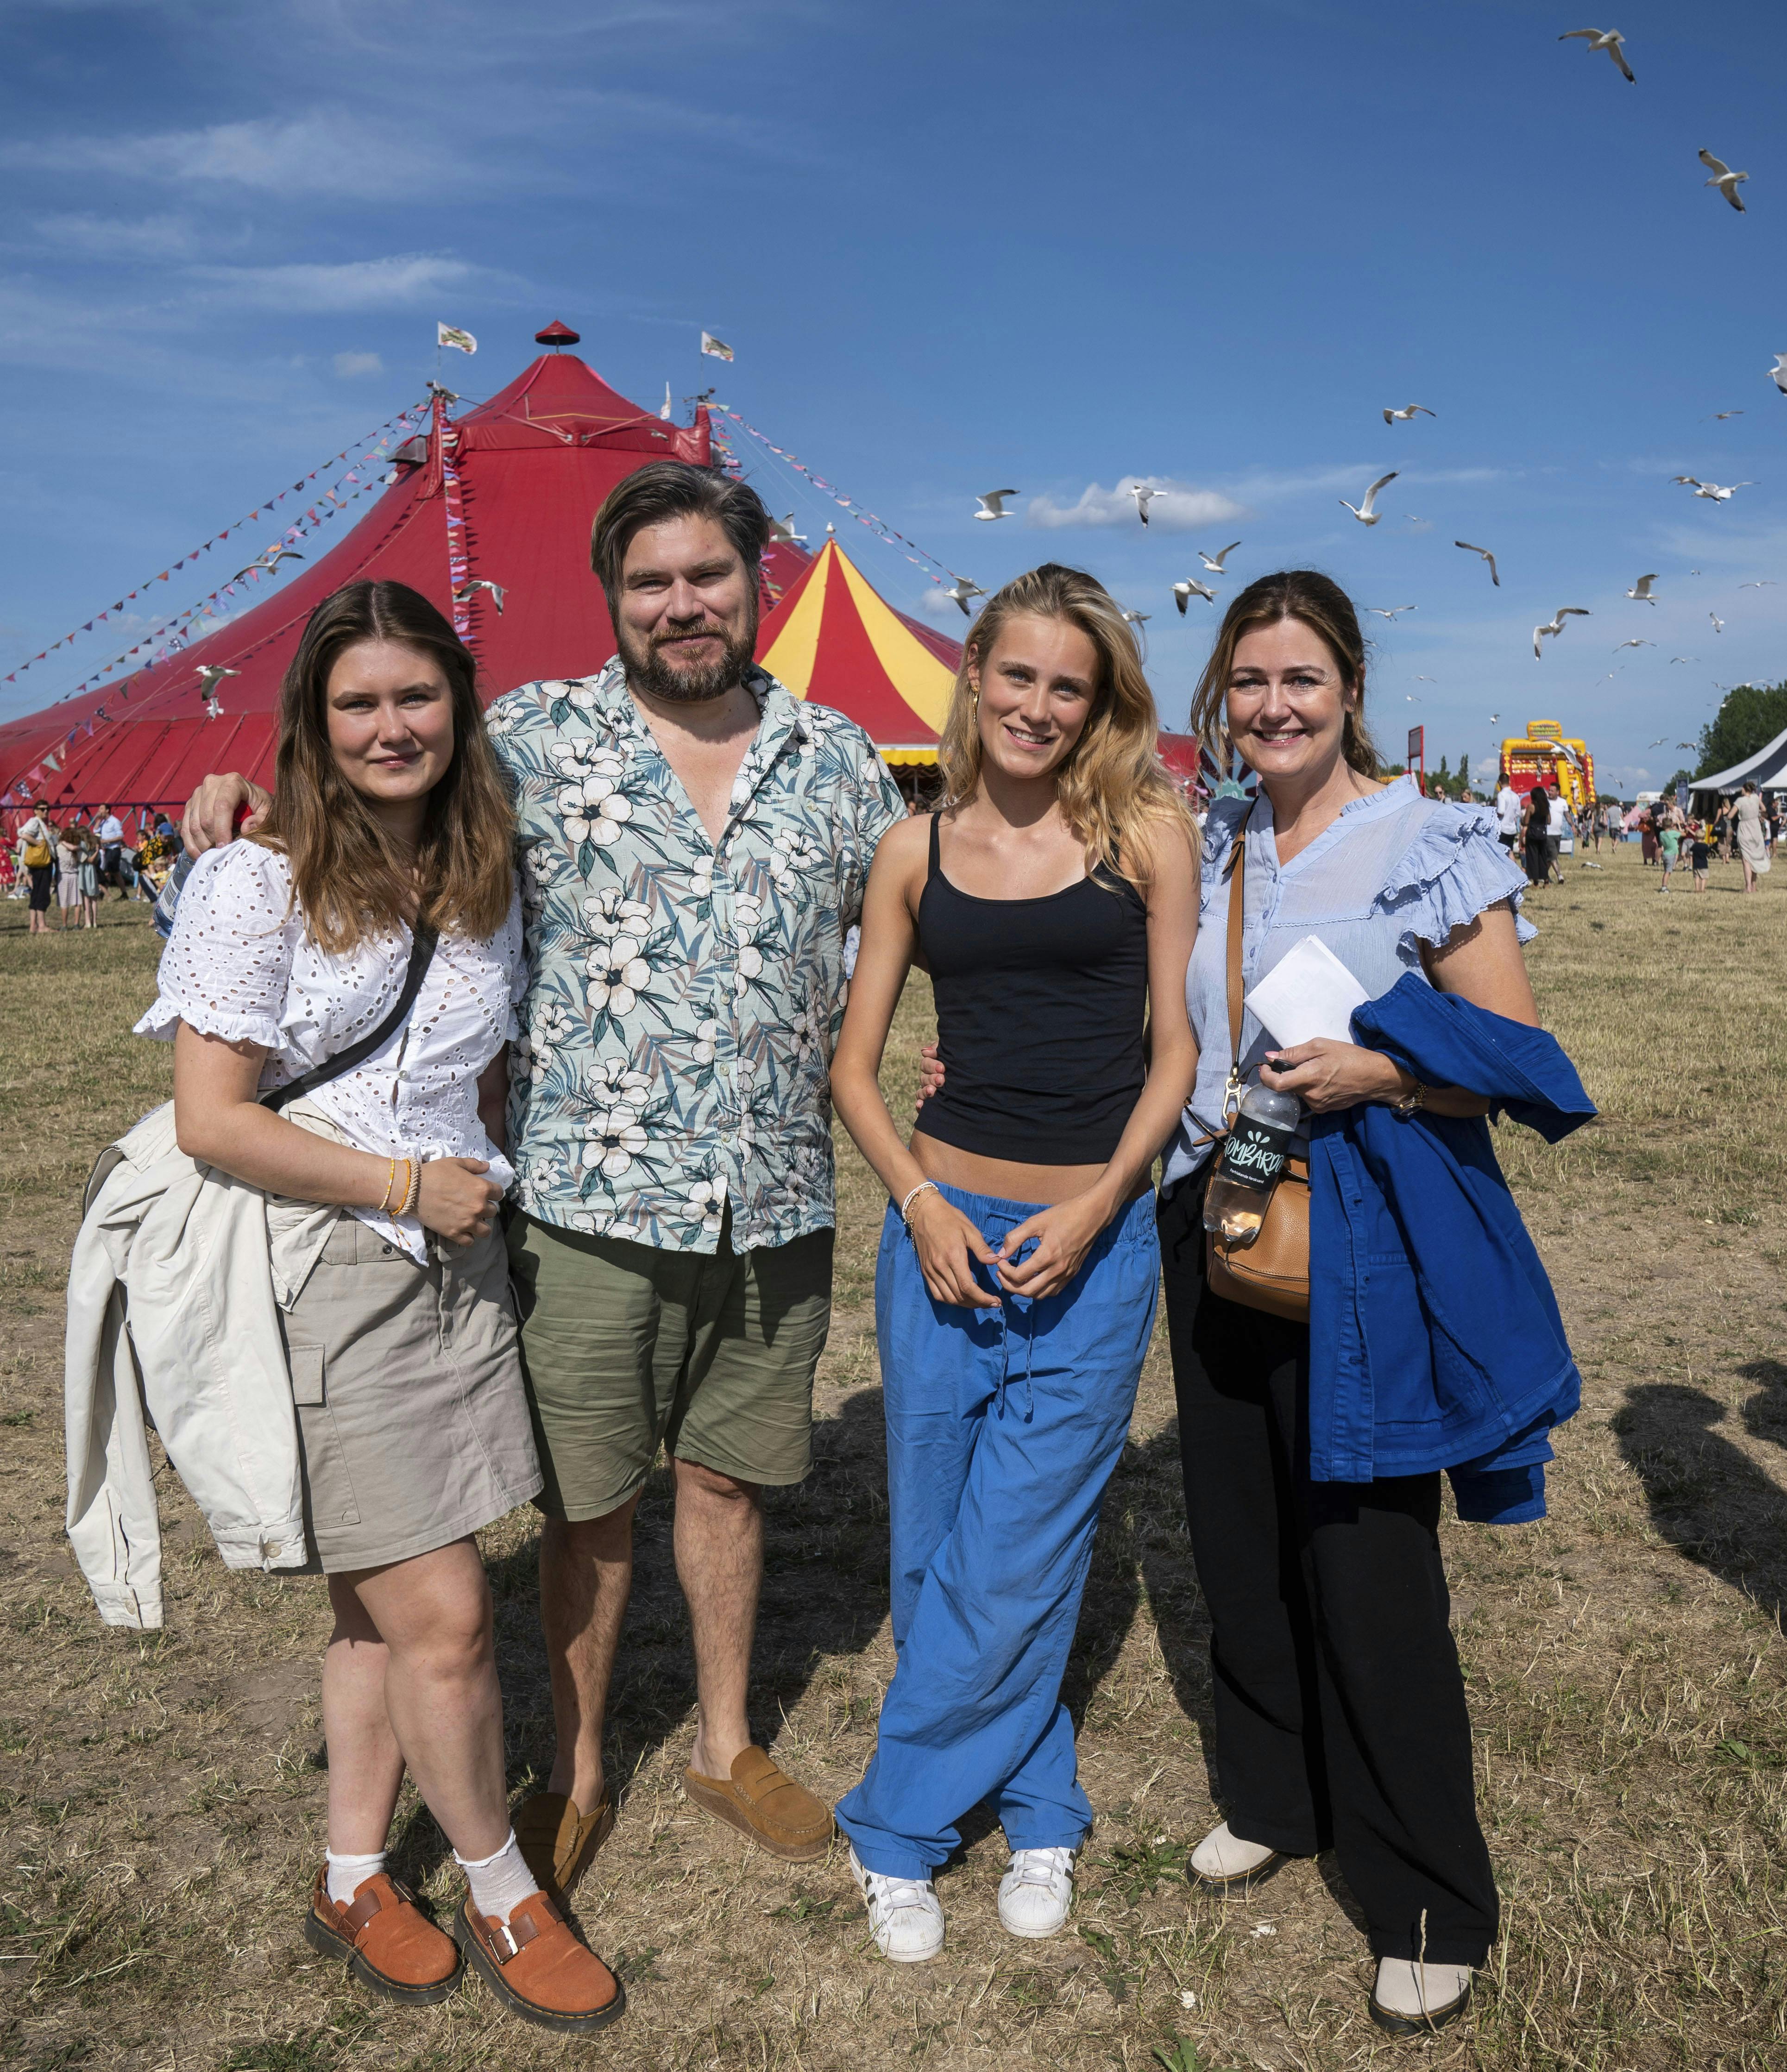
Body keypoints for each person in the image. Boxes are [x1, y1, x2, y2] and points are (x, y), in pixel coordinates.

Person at [181, 462, 906, 1907]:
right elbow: (386, 795)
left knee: (729, 1483)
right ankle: (573, 1771)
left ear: (755, 580)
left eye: (705, 574)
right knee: (588, 1506)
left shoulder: (839, 760)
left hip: (770, 1197)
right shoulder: (529, 738)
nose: (681, 604)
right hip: (584, 1203)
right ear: (610, 598)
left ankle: (716, 1742)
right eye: (650, 582)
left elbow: (909, 929)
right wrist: (244, 808)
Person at [149, 580, 622, 2033]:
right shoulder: (255, 878)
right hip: (332, 1269)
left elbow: (469, 1066)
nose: (389, 727)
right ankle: (497, 1882)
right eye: (357, 702)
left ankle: (354, 1869)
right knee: (446, 1613)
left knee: (376, 1601)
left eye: (415, 696)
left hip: (456, 1265)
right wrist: (406, 1184)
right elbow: (213, 1120)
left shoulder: (483, 874)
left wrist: (450, 1192)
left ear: (458, 707)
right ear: (314, 719)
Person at [1156, 569, 1586, 2038]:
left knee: (1366, 1555)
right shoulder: (1212, 836)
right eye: (1248, 682)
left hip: (1363, 1234)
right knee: (1236, 1528)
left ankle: (1422, 1895)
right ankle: (1272, 1793)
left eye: (1300, 681)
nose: (1271, 707)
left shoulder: (1428, 838)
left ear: (1346, 686)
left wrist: (1384, 1072)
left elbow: (1516, 1058)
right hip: (1213, 1215)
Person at [828, 566, 1197, 1961]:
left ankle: (897, 1824)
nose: (1039, 706)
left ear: (1097, 702)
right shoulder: (911, 851)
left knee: (1025, 1539)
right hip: (941, 1238)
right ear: (973, 671)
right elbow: (854, 1069)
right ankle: (1037, 1796)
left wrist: (1107, 1202)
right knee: (936, 1541)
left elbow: (1174, 1050)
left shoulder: (1146, 832)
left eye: (1070, 685)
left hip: (1088, 1245)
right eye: (1019, 674)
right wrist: (920, 1202)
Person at [17, 799, 56, 934]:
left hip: (40, 863)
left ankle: (33, 926)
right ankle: (42, 925)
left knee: (36, 892)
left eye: (47, 809)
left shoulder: (39, 823)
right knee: (42, 893)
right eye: (42, 809)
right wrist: (38, 844)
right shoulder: (35, 821)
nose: (46, 811)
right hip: (42, 863)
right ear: (36, 810)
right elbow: (24, 835)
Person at [1733, 780, 1770, 893]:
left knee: (1746, 860)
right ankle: (1754, 886)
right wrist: (1755, 812)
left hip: (1745, 829)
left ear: (1744, 789)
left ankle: (1748, 887)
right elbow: (1764, 809)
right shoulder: (1755, 798)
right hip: (1756, 829)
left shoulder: (1740, 800)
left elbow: (1730, 815)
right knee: (1754, 857)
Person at [1521, 783, 1551, 888]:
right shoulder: (1546, 807)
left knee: (1533, 859)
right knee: (1543, 858)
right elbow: (1549, 821)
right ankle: (1546, 881)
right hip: (1543, 835)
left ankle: (1536, 883)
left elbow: (1526, 822)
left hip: (1533, 835)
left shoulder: (1531, 807)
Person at [55, 824, 81, 929]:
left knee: (64, 903)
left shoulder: (60, 848)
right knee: (77, 902)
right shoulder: (77, 849)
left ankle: (65, 925)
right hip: (75, 876)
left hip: (64, 877)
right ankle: (77, 924)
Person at [95, 802, 124, 894]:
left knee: (111, 872)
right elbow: (95, 830)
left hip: (114, 849)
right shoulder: (104, 822)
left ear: (107, 810)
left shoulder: (114, 821)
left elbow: (120, 837)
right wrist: (99, 820)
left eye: (102, 809)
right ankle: (107, 892)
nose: (100, 811)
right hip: (107, 850)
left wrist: (106, 841)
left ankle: (105, 892)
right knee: (112, 872)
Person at [76, 823, 101, 927]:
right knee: (94, 898)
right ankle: (94, 921)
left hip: (83, 871)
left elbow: (88, 860)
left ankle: (88, 922)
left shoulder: (81, 845)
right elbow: (97, 860)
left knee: (86, 898)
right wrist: (97, 851)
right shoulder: (94, 844)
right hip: (92, 872)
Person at [1493, 775, 1520, 855]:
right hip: (1512, 829)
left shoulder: (1501, 795)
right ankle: (1514, 867)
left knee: (1500, 853)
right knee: (1510, 852)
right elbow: (1518, 813)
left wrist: (1494, 815)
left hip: (1503, 828)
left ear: (1500, 783)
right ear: (1509, 782)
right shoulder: (1515, 796)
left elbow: (1501, 811)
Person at [1657, 814, 1679, 892]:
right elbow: (1683, 834)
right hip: (1671, 855)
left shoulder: (1661, 834)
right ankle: (1664, 887)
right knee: (1667, 872)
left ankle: (1664, 886)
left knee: (1667, 871)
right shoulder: (1673, 833)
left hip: (1665, 854)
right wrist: (1676, 828)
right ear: (1672, 825)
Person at [1690, 821, 1710, 892]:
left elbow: (1691, 850)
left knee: (1697, 877)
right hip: (1704, 864)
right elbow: (1708, 854)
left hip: (1695, 864)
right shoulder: (1705, 846)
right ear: (1704, 837)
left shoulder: (1694, 846)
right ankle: (1702, 889)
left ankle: (1697, 890)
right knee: (1704, 878)